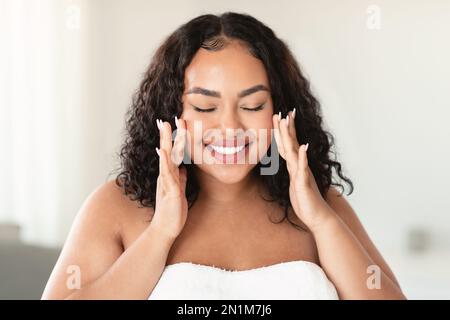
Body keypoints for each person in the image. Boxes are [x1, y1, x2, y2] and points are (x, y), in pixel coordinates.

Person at [42, 12, 405, 300]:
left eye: (252, 105)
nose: (230, 127)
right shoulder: (117, 207)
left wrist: (322, 222)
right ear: (172, 113)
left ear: (281, 112)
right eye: (205, 106)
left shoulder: (322, 207)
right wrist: (160, 234)